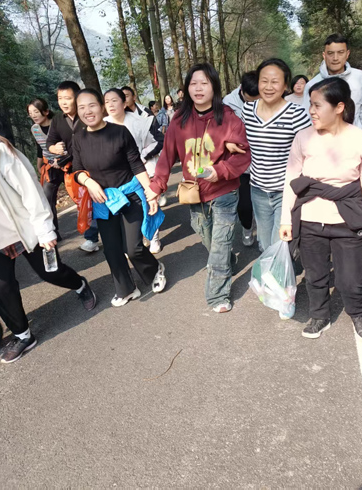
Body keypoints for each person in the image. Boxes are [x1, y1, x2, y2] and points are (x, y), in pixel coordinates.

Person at [280, 77, 362, 341]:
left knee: (351, 278)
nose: (311, 111)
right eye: (310, 105)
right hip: (310, 219)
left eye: (317, 105)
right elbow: (291, 180)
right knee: (315, 275)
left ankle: (358, 313)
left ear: (339, 107)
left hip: (347, 219)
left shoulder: (360, 139)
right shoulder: (303, 137)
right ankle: (319, 316)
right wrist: (286, 220)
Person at [147, 63, 251, 313]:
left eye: (204, 83)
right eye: (193, 83)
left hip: (224, 191)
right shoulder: (179, 119)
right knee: (208, 237)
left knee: (220, 243)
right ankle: (229, 260)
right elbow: (166, 156)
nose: (198, 88)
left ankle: (217, 295)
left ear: (214, 86)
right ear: (187, 88)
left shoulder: (228, 118)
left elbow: (243, 154)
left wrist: (220, 170)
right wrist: (157, 186)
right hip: (194, 192)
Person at [0, 131, 96, 363]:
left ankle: (80, 284)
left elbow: (29, 190)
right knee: (1, 288)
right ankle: (23, 336)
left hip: (24, 226)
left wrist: (45, 229)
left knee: (50, 272)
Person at [73, 88, 166, 307]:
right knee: (112, 250)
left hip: (129, 195)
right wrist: (88, 182)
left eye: (92, 105)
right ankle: (127, 289)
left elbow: (136, 164)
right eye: (82, 107)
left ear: (101, 107)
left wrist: (151, 194)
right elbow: (76, 170)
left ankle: (155, 270)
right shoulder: (78, 138)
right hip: (103, 201)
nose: (87, 111)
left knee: (133, 248)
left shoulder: (120, 132)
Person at [242, 58, 311, 252]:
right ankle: (273, 271)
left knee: (278, 245)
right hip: (258, 189)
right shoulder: (248, 110)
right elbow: (240, 138)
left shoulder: (296, 114)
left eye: (275, 82)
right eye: (264, 81)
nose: (268, 87)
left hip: (285, 191)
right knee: (265, 245)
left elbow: (311, 150)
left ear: (285, 85)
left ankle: (278, 272)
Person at [104, 88, 164, 254]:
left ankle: (153, 237)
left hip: (142, 170)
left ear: (124, 103)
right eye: (107, 102)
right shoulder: (103, 124)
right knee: (128, 212)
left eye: (114, 101)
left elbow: (157, 142)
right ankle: (136, 241)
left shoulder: (141, 122)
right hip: (119, 177)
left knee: (149, 204)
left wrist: (142, 156)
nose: (111, 105)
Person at [46, 81, 100, 253]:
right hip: (74, 170)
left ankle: (116, 235)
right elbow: (49, 143)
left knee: (101, 200)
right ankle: (91, 238)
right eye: (60, 98)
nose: (63, 102)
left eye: (67, 98)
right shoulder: (57, 120)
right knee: (84, 203)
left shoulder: (87, 115)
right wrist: (54, 148)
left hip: (96, 166)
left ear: (77, 97)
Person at [303, 33, 362, 142]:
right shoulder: (312, 85)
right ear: (324, 55)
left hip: (356, 141)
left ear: (347, 54)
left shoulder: (359, 76)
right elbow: (308, 118)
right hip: (325, 144)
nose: (335, 58)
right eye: (330, 53)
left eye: (340, 52)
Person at [223, 71, 259, 246]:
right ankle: (247, 228)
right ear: (241, 90)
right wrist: (226, 142)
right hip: (242, 163)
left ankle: (264, 235)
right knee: (244, 204)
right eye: (249, 100)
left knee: (265, 203)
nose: (253, 104)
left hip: (264, 160)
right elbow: (220, 131)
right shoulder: (228, 104)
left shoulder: (270, 98)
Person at [27, 98, 64, 238]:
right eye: (30, 113)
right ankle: (54, 232)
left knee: (78, 195)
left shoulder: (58, 124)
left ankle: (90, 231)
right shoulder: (34, 129)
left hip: (66, 163)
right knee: (47, 198)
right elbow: (40, 147)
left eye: (36, 112)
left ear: (46, 111)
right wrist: (39, 165)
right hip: (50, 166)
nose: (33, 115)